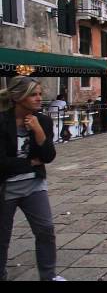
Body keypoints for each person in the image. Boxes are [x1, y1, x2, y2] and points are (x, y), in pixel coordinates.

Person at [0, 76, 66, 281]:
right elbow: (2, 162)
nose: (39, 98)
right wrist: (29, 163)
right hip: (5, 188)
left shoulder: (43, 120)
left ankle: (48, 276)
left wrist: (37, 130)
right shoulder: (2, 122)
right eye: (33, 94)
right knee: (2, 237)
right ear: (18, 97)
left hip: (34, 185)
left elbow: (48, 156)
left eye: (39, 94)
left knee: (46, 230)